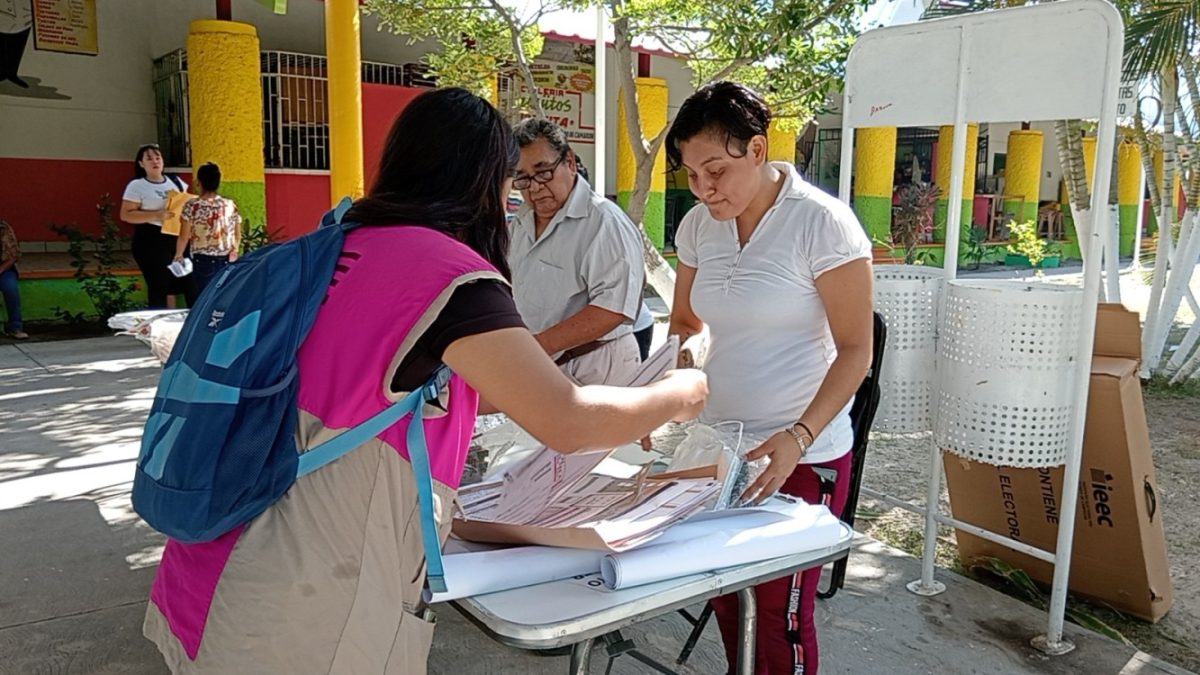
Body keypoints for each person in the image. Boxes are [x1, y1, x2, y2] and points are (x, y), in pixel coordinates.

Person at [142, 87, 708, 674]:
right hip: (307, 594)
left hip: (212, 557)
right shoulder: (450, 277)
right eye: (510, 180)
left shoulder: (329, 246)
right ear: (483, 180)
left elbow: (426, 389)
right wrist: (676, 395)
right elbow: (567, 420)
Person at [666, 82, 874, 675]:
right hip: (721, 444)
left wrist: (800, 436)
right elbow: (685, 320)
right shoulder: (700, 226)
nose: (704, 189)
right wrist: (674, 379)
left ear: (758, 150)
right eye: (691, 174)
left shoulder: (823, 224)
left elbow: (856, 349)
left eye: (717, 170)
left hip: (801, 450)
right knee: (726, 594)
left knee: (781, 612)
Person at [509, 118, 648, 385]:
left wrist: (538, 347)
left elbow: (613, 308)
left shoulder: (603, 222)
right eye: (524, 179)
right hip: (540, 368)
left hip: (598, 367)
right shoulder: (521, 221)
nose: (535, 187)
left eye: (544, 172)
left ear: (570, 162)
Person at [120, 144, 198, 309]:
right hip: (151, 239)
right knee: (158, 284)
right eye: (149, 159)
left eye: (158, 158)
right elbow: (126, 214)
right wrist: (156, 215)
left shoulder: (176, 182)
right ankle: (158, 324)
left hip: (177, 237)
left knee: (188, 282)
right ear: (141, 164)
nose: (155, 162)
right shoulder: (137, 185)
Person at [175, 162, 242, 295]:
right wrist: (235, 249)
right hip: (226, 257)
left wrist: (179, 254)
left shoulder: (192, 206)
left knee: (205, 298)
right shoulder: (229, 205)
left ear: (199, 182)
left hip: (202, 259)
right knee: (222, 296)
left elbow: (184, 235)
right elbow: (237, 234)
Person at [0, 219, 27, 339]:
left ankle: (15, 327)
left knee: (10, 288)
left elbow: (13, 255)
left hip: (3, 269)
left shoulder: (3, 228)